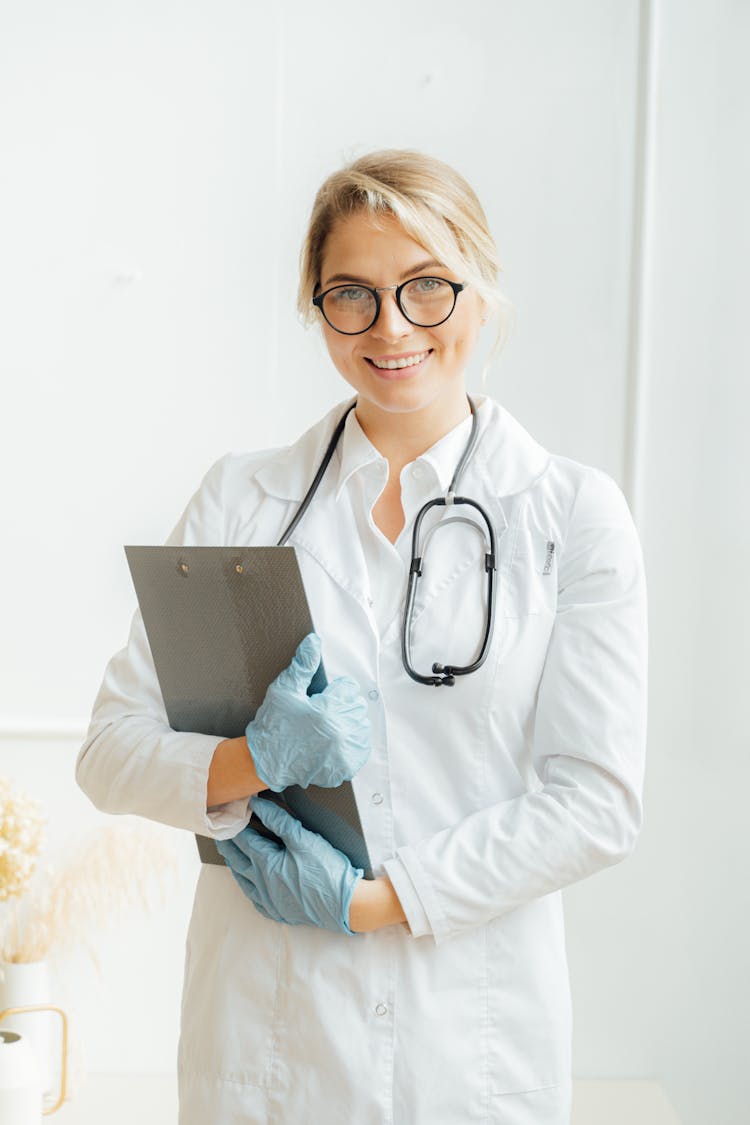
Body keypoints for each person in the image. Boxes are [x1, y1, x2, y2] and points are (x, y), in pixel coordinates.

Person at [75, 148, 648, 1125]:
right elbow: (110, 754)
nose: (392, 328)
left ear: (481, 291)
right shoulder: (241, 499)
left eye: (427, 288)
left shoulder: (567, 514)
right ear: (315, 305)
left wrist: (375, 904)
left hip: (469, 1034)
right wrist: (249, 759)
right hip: (265, 1033)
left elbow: (596, 801)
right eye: (352, 294)